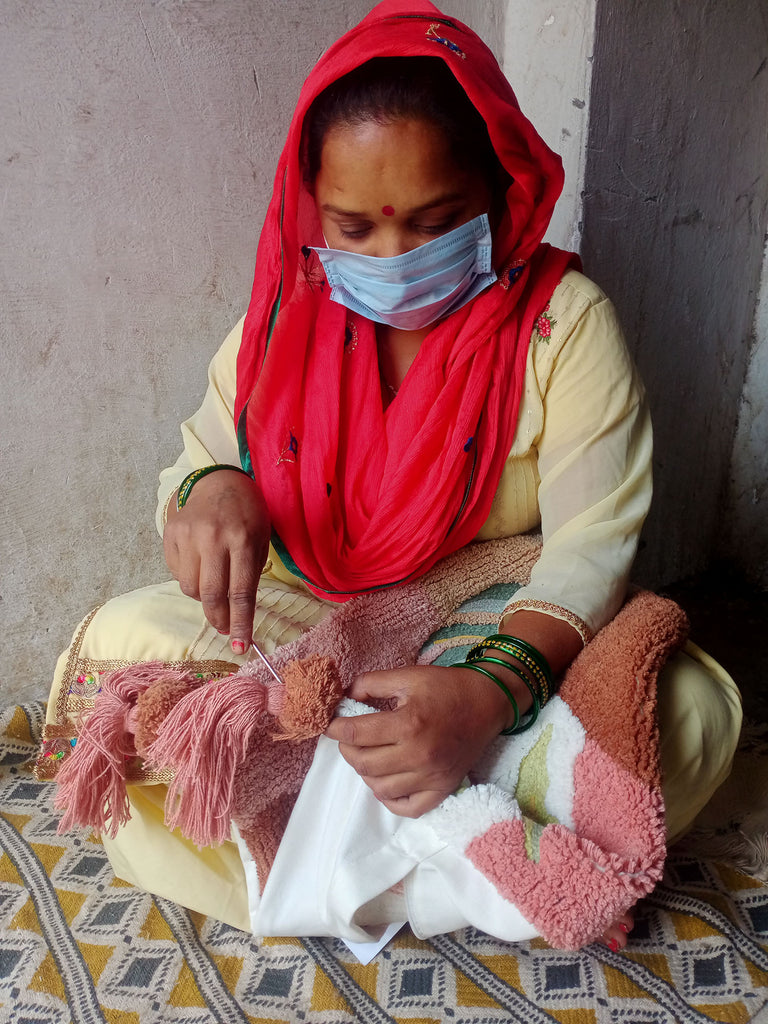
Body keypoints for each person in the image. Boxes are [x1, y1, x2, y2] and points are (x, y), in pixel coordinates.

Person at [42, 0, 741, 953]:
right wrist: (211, 491)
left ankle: (318, 868)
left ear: (500, 195)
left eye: (435, 221)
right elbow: (198, 459)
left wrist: (488, 699)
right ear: (309, 212)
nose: (392, 258)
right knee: (134, 657)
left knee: (689, 712)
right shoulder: (281, 327)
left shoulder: (562, 327)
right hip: (319, 635)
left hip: (495, 633)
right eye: (353, 226)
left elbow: (592, 546)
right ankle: (482, 876)